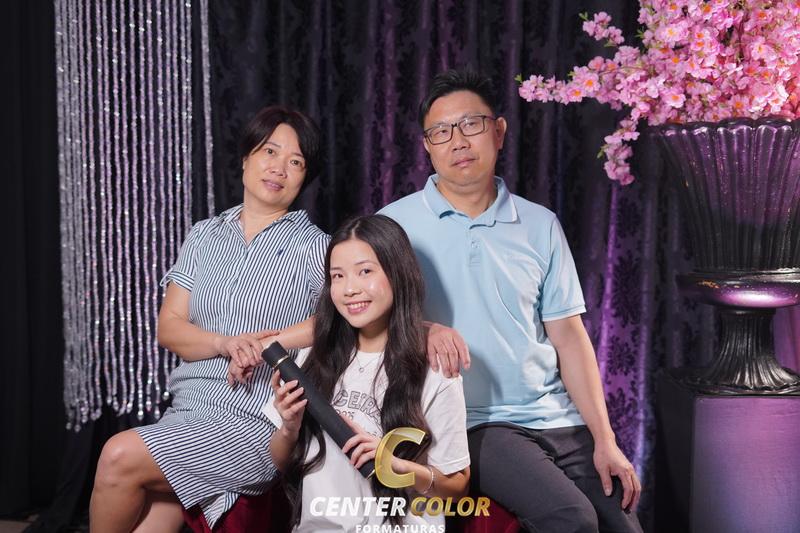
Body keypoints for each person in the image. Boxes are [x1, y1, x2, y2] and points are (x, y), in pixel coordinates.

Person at [378, 69, 643, 532]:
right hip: (475, 423)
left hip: (556, 416)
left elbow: (568, 337)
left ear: (498, 132)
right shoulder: (394, 225)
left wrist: (605, 438)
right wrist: (423, 329)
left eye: (471, 124)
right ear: (427, 147)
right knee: (573, 519)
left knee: (623, 525)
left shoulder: (540, 224)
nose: (458, 141)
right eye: (441, 132)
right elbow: (362, 320)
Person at [90, 106, 330, 532]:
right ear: (246, 158)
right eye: (269, 151)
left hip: (255, 421)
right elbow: (170, 327)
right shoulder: (203, 235)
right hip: (188, 409)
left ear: (304, 178)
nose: (279, 168)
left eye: (295, 162)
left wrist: (264, 345)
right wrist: (224, 343)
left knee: (117, 455)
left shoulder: (316, 247)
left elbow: (341, 319)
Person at [262, 215, 470, 532]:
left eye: (365, 272)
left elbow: (457, 487)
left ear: (397, 273)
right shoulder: (314, 356)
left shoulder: (435, 368)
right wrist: (290, 427)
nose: (350, 289)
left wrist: (396, 466)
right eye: (338, 276)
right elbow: (281, 461)